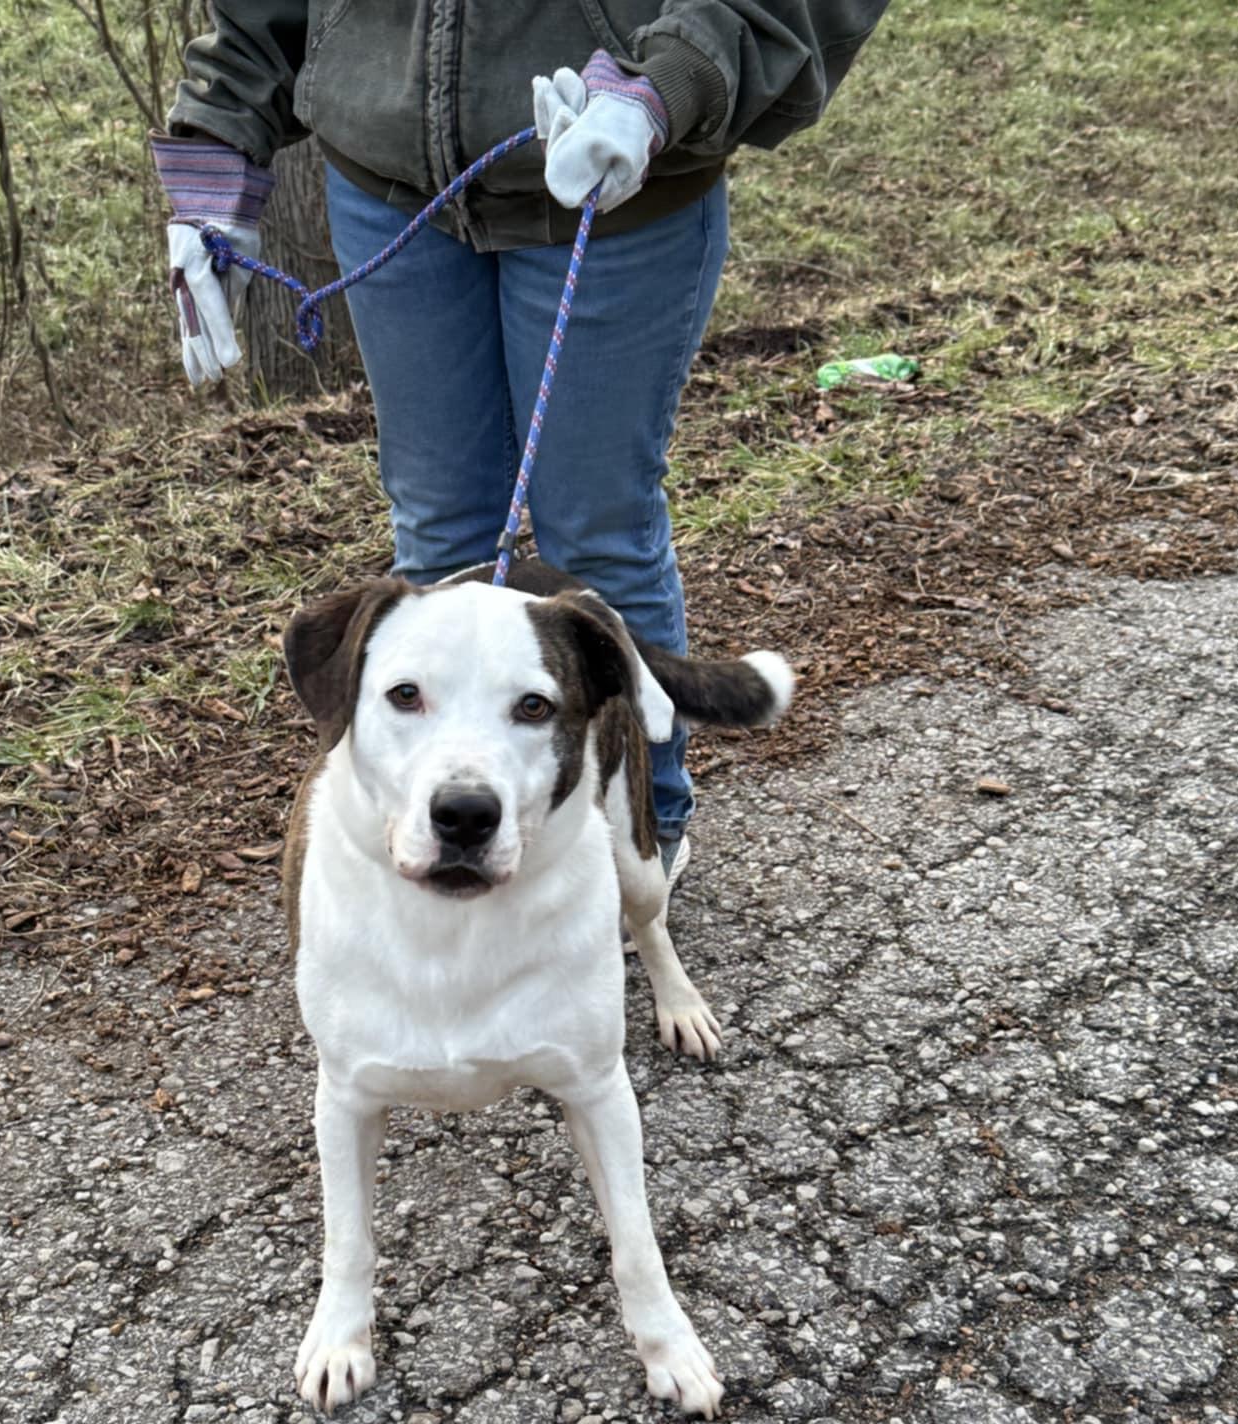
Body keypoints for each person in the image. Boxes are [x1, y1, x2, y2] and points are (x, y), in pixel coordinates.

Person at [153, 3, 889, 880]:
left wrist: (667, 84)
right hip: (393, 192)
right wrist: (217, 148)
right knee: (440, 530)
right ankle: (446, 842)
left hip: (622, 191)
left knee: (597, 537)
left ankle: (631, 846)